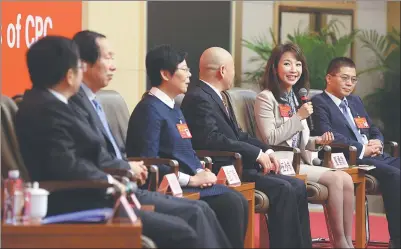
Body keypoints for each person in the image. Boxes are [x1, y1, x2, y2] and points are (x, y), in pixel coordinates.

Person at [15, 35, 229, 249]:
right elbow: (67, 165)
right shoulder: (48, 110)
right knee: (186, 226)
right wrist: (115, 180)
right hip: (86, 201)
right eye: (80, 66)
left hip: (103, 190)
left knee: (199, 211)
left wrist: (120, 173)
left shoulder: (55, 105)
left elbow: (86, 157)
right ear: (70, 75)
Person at [181, 46, 312, 248]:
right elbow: (212, 139)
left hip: (240, 162)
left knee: (296, 185)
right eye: (233, 68)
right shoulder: (198, 97)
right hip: (225, 168)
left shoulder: (219, 96)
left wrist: (265, 150)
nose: (235, 73)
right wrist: (256, 154)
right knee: (284, 188)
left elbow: (238, 135)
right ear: (223, 70)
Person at [126, 44, 248, 248]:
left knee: (237, 200)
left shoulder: (174, 107)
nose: (190, 75)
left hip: (190, 181)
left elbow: (186, 151)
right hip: (171, 187)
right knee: (231, 203)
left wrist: (202, 170)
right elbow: (149, 163)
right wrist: (192, 178)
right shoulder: (149, 110)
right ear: (165, 74)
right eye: (184, 69)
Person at [254, 43, 355, 248]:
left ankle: (347, 240)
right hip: (280, 162)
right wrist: (298, 117)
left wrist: (316, 141)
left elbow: (297, 140)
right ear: (275, 67)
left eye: (298, 64)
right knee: (336, 179)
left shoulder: (296, 98)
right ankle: (340, 243)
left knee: (345, 177)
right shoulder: (266, 98)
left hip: (298, 159)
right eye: (287, 64)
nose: (294, 70)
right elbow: (270, 139)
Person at [311, 57, 400, 248]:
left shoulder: (355, 101)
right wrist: (362, 148)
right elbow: (329, 135)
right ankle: (397, 239)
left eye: (353, 79)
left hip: (375, 154)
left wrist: (378, 141)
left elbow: (372, 127)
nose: (349, 83)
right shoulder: (319, 102)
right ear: (329, 78)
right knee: (394, 175)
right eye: (345, 78)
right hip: (350, 159)